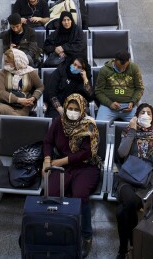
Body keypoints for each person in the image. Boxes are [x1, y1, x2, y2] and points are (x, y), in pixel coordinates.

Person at [114, 103, 153, 258]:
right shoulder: (129, 131)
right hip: (127, 177)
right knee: (128, 202)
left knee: (122, 211)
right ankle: (134, 243)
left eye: (149, 113)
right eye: (142, 112)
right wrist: (133, 130)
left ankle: (123, 249)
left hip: (147, 181)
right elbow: (122, 153)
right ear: (136, 116)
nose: (146, 115)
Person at [42, 94, 101, 257]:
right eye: (70, 108)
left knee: (79, 195)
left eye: (76, 109)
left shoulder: (89, 125)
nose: (73, 112)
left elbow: (86, 153)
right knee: (51, 193)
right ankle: (55, 230)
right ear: (65, 107)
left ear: (82, 110)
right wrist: (47, 160)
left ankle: (86, 236)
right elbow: (47, 141)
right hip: (63, 165)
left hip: (85, 167)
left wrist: (59, 162)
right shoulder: (59, 122)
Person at [94, 52, 144, 122]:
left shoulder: (134, 69)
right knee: (100, 125)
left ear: (128, 61)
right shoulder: (104, 70)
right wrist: (109, 103)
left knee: (139, 126)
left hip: (128, 106)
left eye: (124, 68)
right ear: (115, 60)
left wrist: (132, 102)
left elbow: (140, 88)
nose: (121, 70)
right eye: (119, 67)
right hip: (108, 106)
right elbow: (98, 91)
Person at [0, 48, 43, 117]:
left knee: (13, 118)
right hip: (5, 103)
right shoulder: (3, 73)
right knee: (2, 110)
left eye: (8, 62)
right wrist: (18, 100)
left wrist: (34, 97)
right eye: (5, 61)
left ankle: (11, 123)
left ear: (17, 62)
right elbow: (1, 92)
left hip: (24, 105)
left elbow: (40, 86)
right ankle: (18, 122)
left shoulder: (30, 72)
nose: (5, 64)